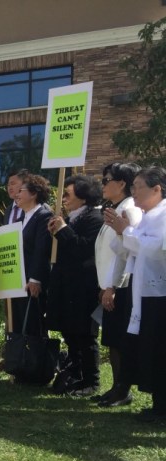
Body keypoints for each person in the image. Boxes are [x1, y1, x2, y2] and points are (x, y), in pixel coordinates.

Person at [106, 166, 166, 422]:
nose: (134, 192)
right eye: (133, 187)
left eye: (138, 186)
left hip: (159, 292)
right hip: (144, 291)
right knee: (150, 348)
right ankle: (158, 404)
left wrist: (126, 231)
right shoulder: (147, 215)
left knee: (160, 348)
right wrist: (123, 231)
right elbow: (129, 250)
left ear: (157, 189)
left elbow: (155, 248)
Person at [46, 175, 104, 396]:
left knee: (85, 335)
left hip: (84, 287)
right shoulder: (69, 219)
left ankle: (92, 380)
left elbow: (83, 249)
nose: (64, 199)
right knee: (70, 332)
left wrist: (63, 231)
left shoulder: (95, 219)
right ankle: (77, 375)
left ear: (83, 196)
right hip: (65, 285)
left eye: (68, 194)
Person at [93, 162, 142, 407]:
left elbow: (127, 253)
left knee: (119, 340)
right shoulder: (116, 208)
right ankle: (116, 387)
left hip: (121, 286)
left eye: (106, 180)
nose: (102, 184)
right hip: (111, 285)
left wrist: (112, 286)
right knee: (112, 339)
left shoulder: (129, 210)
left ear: (121, 184)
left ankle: (123, 389)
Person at [9, 174, 53, 375]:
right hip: (17, 280)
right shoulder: (21, 216)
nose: (16, 195)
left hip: (31, 281)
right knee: (19, 323)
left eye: (21, 191)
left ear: (34, 193)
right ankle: (21, 364)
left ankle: (37, 367)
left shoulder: (44, 215)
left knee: (33, 324)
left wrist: (35, 278)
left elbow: (41, 251)